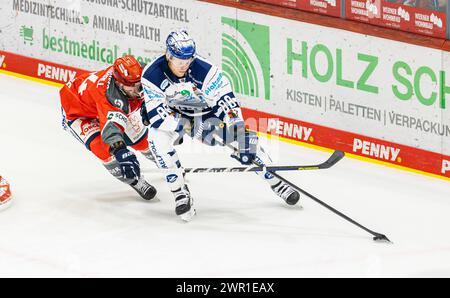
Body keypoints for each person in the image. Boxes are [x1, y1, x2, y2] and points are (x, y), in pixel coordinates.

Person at [141, 30, 300, 221]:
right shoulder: (152, 74)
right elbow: (158, 116)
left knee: (246, 143)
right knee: (156, 138)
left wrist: (239, 132)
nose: (184, 65)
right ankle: (180, 192)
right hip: (177, 117)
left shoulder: (206, 71)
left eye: (188, 60)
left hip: (208, 115)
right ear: (169, 55)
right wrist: (189, 127)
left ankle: (277, 181)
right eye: (179, 60)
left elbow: (227, 103)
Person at [60, 55, 157, 200]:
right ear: (120, 84)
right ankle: (136, 181)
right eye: (134, 86)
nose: (139, 89)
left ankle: (163, 161)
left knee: (141, 140)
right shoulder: (109, 96)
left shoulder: (133, 80)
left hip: (98, 106)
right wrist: (120, 150)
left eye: (139, 83)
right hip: (78, 114)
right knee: (103, 150)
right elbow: (112, 129)